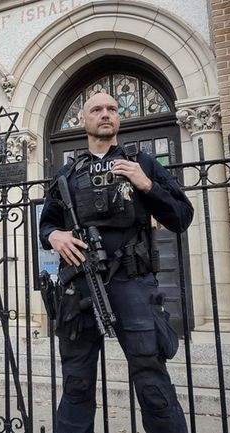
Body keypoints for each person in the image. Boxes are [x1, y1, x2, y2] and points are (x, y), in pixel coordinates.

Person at [39, 92, 193, 433]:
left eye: (112, 108)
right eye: (96, 109)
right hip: (80, 288)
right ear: (84, 120)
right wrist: (55, 236)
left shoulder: (143, 164)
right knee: (76, 384)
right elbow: (46, 224)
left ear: (118, 118)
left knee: (152, 382)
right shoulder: (67, 173)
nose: (105, 114)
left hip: (133, 285)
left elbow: (182, 217)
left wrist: (147, 185)